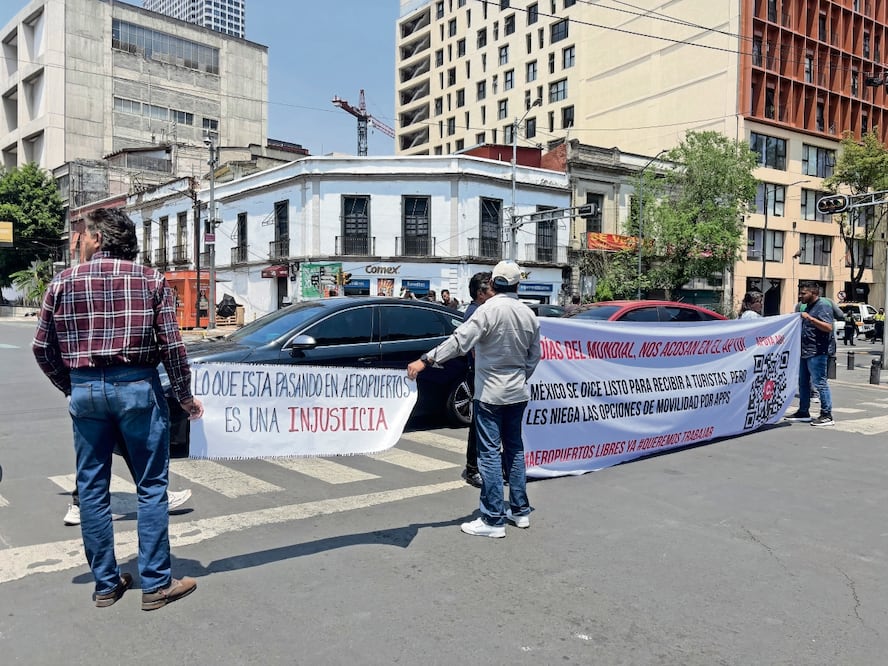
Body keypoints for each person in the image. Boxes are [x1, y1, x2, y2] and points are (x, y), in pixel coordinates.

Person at [33, 207, 203, 610]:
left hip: (86, 390)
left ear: (98, 239)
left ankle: (106, 585)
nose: (80, 242)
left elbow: (42, 347)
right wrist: (184, 396)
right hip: (138, 389)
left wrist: (72, 386)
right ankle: (156, 584)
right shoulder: (151, 280)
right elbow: (172, 347)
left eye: (83, 236)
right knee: (151, 486)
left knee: (92, 489)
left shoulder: (63, 282)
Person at [407, 261, 541, 538]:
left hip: (490, 393)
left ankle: (493, 519)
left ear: (493, 283)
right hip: (517, 392)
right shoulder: (529, 315)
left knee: (489, 453)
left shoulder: (487, 311)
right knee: (514, 449)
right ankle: (520, 510)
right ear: (518, 284)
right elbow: (534, 357)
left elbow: (459, 342)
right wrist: (520, 377)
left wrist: (426, 360)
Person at [459, 271, 493, 488]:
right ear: (481, 293)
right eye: (491, 288)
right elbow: (470, 347)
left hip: (482, 373)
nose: (494, 292)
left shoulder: (480, 311)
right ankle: (473, 468)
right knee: (479, 422)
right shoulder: (476, 314)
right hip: (478, 374)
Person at [785, 282, 835, 427]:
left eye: (804, 293)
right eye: (800, 293)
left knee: (820, 383)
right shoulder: (807, 306)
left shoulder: (823, 306)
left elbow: (828, 327)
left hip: (817, 351)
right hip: (805, 351)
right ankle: (803, 411)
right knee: (803, 383)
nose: (800, 296)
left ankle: (827, 414)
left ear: (814, 293)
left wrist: (810, 319)